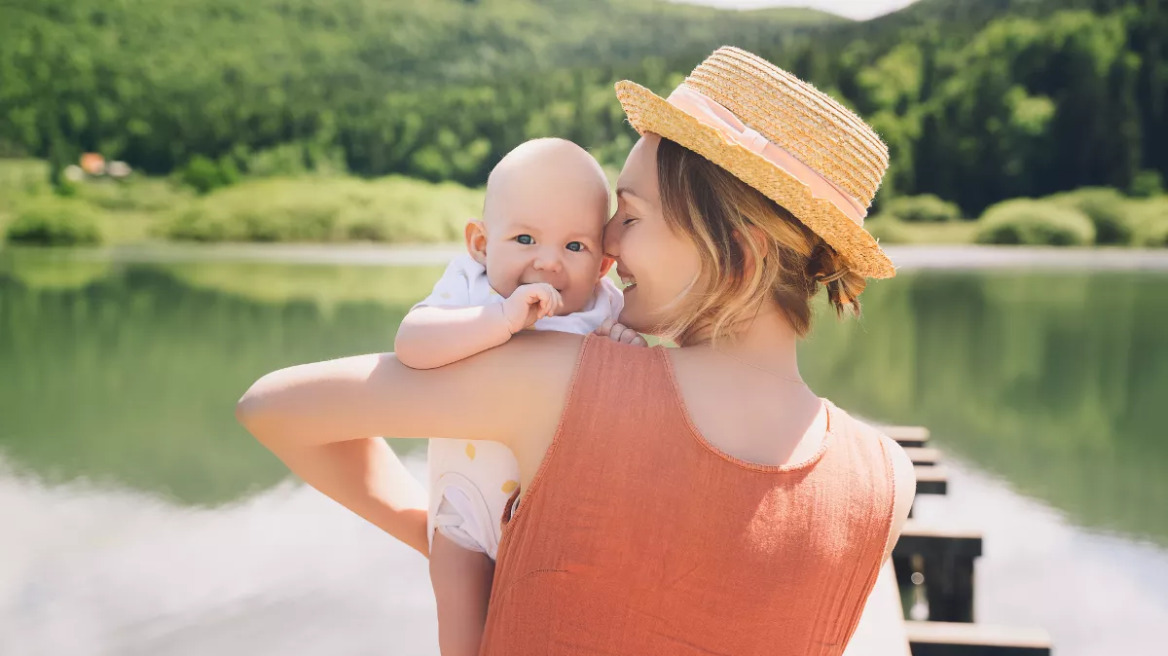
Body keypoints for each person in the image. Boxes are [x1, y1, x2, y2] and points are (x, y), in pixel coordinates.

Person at [236, 46, 916, 655]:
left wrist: (441, 538)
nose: (608, 244)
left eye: (631, 215)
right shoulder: (884, 479)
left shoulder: (565, 380)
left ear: (738, 249)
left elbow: (272, 408)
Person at [394, 137, 642, 656]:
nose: (549, 263)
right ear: (482, 244)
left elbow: (624, 405)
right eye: (525, 238)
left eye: (575, 247)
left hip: (554, 522)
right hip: (462, 514)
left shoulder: (602, 307)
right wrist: (499, 321)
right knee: (462, 638)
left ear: (600, 265)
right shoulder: (472, 289)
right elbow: (411, 345)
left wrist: (623, 349)